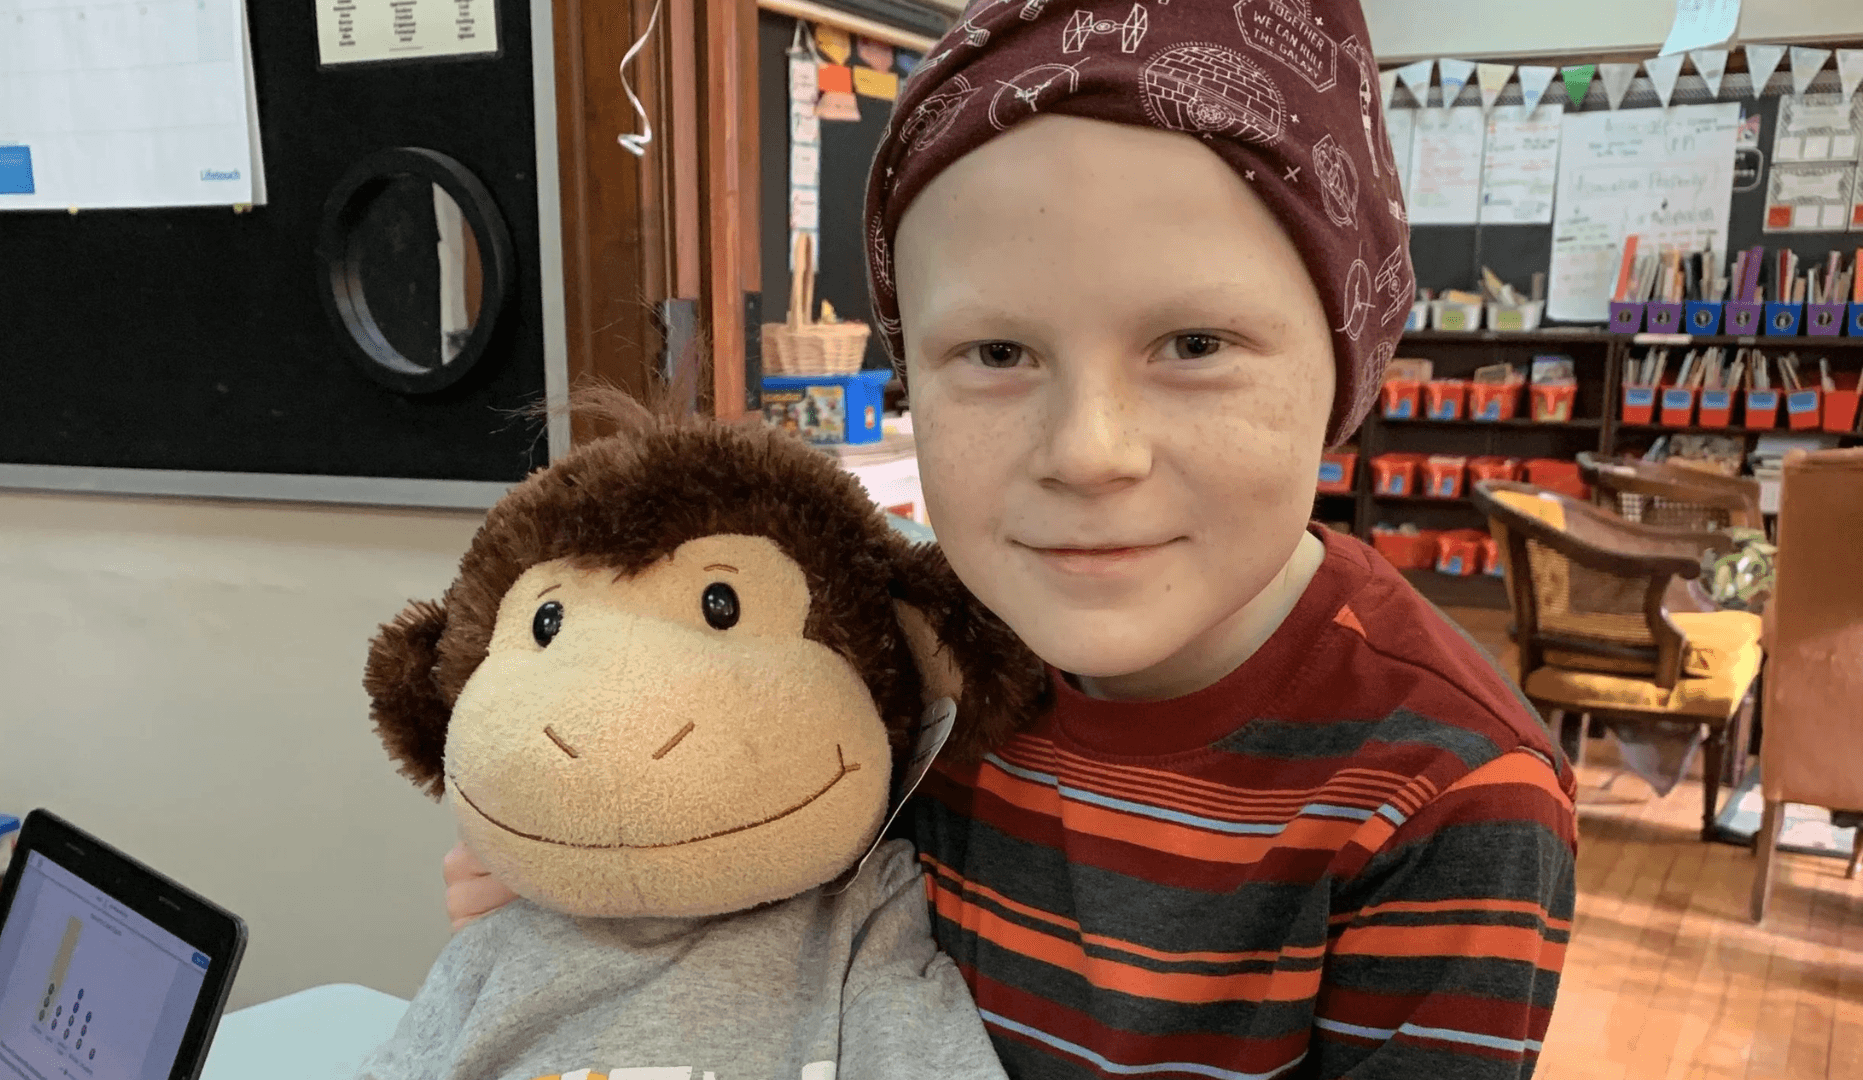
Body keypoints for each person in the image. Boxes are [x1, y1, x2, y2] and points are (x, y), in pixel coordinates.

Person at [445, 2, 1577, 1077]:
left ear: (1348, 364)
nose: (1089, 452)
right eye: (994, 354)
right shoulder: (894, 655)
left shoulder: (1450, 795)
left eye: (1193, 342)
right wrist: (594, 903)